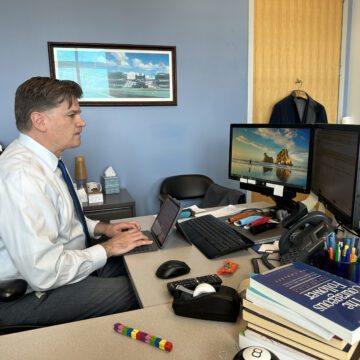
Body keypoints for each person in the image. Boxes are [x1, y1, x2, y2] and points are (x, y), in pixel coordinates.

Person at [0, 76, 153, 327]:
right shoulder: (21, 177)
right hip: (32, 293)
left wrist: (103, 229)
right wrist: (107, 248)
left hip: (67, 265)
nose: (82, 122)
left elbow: (62, 218)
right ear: (39, 121)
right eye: (72, 115)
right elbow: (44, 272)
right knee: (145, 291)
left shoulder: (49, 161)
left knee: (146, 265)